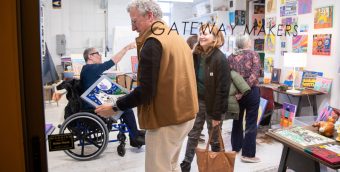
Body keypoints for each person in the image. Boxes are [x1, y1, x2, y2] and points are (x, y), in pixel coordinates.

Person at [95, 0, 198, 171]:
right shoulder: (175, 37)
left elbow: (146, 91)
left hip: (166, 119)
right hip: (186, 115)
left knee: (158, 168)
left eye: (134, 21)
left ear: (149, 16)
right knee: (171, 164)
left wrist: (115, 107)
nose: (133, 28)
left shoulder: (153, 42)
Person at [180, 23, 231, 172]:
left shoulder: (220, 58)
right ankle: (186, 164)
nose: (202, 36)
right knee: (193, 135)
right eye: (201, 33)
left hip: (214, 105)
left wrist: (216, 115)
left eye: (206, 33)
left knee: (214, 138)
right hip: (198, 102)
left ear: (215, 37)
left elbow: (223, 90)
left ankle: (217, 167)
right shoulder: (196, 54)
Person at [80, 45, 145, 148]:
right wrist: (126, 48)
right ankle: (135, 137)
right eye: (97, 53)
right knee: (125, 107)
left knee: (125, 102)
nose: (100, 55)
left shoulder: (88, 70)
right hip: (93, 107)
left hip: (95, 102)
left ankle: (135, 133)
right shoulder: (90, 68)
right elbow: (112, 62)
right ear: (90, 56)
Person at [227, 34, 261, 163]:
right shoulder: (254, 55)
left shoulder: (230, 57)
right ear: (247, 42)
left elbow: (228, 76)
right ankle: (248, 155)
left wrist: (239, 91)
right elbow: (255, 74)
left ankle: (236, 147)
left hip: (236, 93)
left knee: (237, 120)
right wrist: (245, 90)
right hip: (251, 92)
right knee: (251, 122)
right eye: (250, 39)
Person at [186, 35, 205, 143]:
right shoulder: (192, 56)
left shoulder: (196, 56)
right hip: (194, 89)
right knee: (195, 114)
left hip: (196, 89)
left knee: (196, 114)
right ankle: (194, 132)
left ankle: (195, 132)